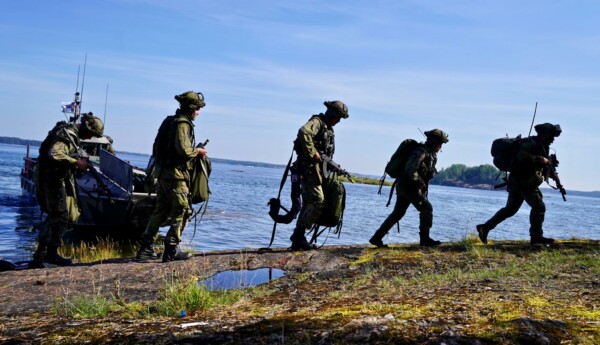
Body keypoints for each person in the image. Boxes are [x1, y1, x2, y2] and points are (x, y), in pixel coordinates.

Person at [136, 91, 207, 262]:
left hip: (162, 174)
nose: (198, 112)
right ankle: (171, 251)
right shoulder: (183, 124)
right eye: (197, 108)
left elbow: (157, 148)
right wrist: (198, 151)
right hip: (176, 176)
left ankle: (145, 249)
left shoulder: (169, 121)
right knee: (181, 211)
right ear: (191, 108)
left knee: (160, 211)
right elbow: (183, 149)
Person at [32, 113, 104, 267]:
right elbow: (55, 154)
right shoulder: (68, 134)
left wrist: (76, 164)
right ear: (86, 127)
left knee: (56, 217)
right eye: (91, 134)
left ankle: (40, 255)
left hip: (52, 178)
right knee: (61, 216)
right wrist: (76, 163)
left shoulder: (70, 133)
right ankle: (50, 255)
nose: (91, 138)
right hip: (50, 179)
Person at [477, 123, 562, 245]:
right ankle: (536, 237)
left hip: (518, 182)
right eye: (551, 136)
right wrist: (541, 160)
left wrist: (551, 173)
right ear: (544, 135)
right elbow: (522, 157)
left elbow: (538, 166)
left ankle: (484, 228)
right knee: (539, 207)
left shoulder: (542, 146)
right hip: (524, 182)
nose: (553, 140)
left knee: (510, 209)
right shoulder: (531, 143)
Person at [369, 129, 449, 248]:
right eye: (440, 143)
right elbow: (410, 169)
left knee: (398, 213)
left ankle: (376, 238)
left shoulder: (429, 154)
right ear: (434, 142)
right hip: (409, 187)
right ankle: (425, 239)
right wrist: (420, 183)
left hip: (405, 186)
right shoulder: (421, 152)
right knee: (427, 208)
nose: (440, 147)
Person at [290, 101, 349, 250]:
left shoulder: (327, 128)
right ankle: (298, 235)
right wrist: (312, 153)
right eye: (339, 117)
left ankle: (299, 238)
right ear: (333, 114)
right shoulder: (317, 122)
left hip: (316, 171)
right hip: (308, 169)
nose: (339, 121)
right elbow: (304, 132)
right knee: (317, 201)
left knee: (310, 203)